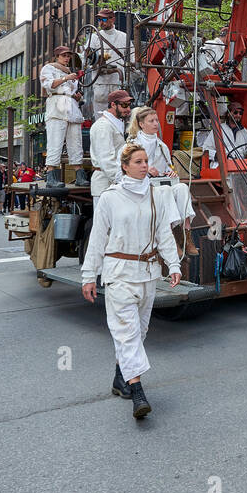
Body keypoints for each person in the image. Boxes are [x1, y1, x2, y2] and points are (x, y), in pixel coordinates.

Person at [81, 143, 182, 419]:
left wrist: (174, 264)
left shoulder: (155, 194)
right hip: (119, 274)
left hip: (148, 273)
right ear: (124, 166)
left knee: (139, 332)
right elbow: (98, 239)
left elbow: (163, 232)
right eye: (137, 161)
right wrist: (89, 275)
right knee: (127, 334)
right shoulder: (110, 198)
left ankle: (119, 377)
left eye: (145, 160)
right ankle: (138, 393)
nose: (143, 165)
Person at [129, 106, 197, 254]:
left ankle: (186, 234)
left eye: (156, 120)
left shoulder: (161, 145)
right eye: (151, 121)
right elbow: (124, 169)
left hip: (159, 184)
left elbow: (167, 167)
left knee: (182, 188)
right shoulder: (133, 144)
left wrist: (171, 173)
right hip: (140, 187)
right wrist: (145, 169)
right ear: (141, 124)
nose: (156, 124)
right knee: (166, 191)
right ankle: (171, 237)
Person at [41, 45, 85, 188]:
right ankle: (51, 176)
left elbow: (72, 91)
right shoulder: (49, 68)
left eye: (68, 56)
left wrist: (77, 96)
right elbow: (50, 85)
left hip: (71, 107)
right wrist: (66, 78)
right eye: (64, 55)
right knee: (55, 142)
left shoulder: (70, 73)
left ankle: (79, 175)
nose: (67, 58)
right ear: (57, 56)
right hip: (57, 105)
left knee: (76, 142)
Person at [83, 8, 128, 116]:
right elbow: (86, 59)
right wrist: (97, 60)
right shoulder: (94, 38)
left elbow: (132, 60)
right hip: (100, 82)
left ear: (112, 19)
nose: (101, 22)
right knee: (101, 116)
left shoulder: (123, 37)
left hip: (117, 81)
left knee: (119, 115)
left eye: (103, 19)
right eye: (99, 19)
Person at [90, 90, 134, 201]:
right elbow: (106, 159)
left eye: (129, 105)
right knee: (103, 218)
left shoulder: (114, 124)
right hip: (105, 184)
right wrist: (122, 180)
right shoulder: (103, 126)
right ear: (113, 104)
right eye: (124, 105)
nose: (128, 109)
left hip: (112, 183)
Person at [200, 99, 247, 168]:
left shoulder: (244, 131)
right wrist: (216, 155)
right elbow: (206, 149)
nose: (238, 115)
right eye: (235, 112)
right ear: (228, 114)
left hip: (241, 165)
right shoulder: (218, 129)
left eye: (240, 113)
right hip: (220, 165)